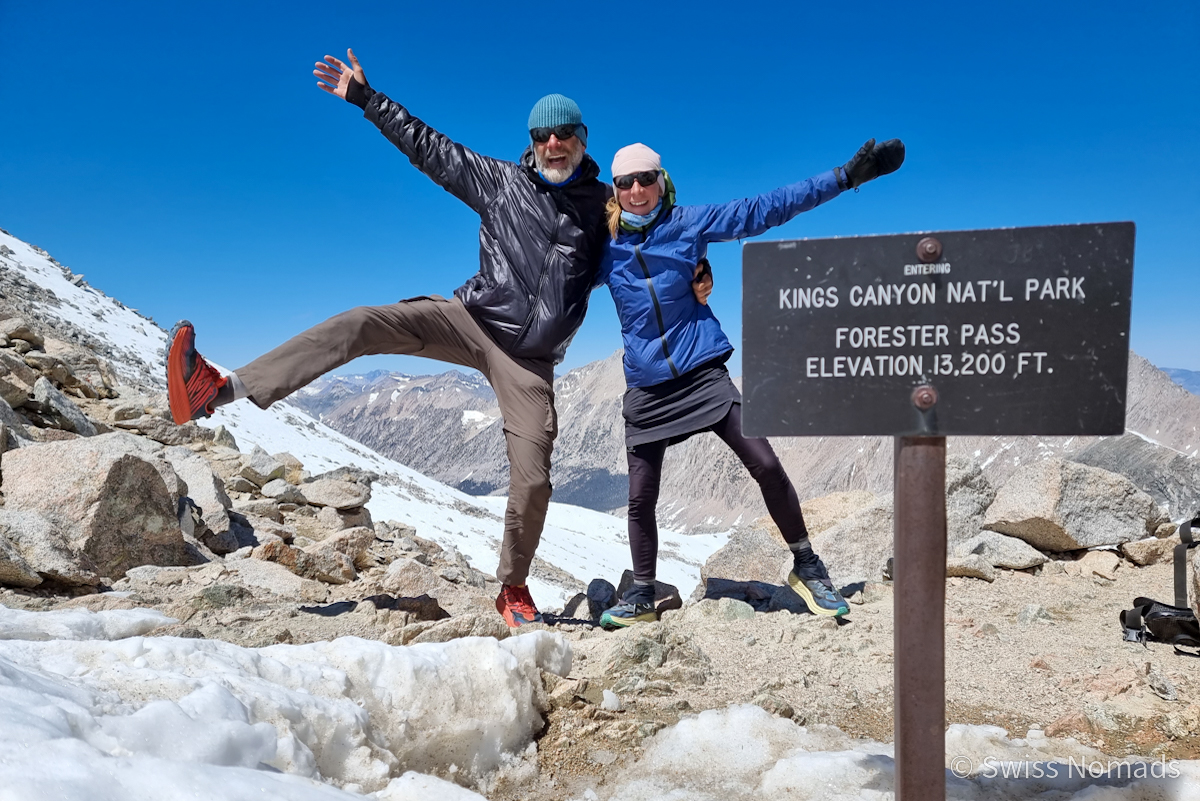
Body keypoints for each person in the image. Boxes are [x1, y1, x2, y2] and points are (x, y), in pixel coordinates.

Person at [165, 49, 712, 628]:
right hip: (469, 318)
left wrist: (697, 274)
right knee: (362, 323)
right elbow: (430, 148)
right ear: (532, 141)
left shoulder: (602, 206)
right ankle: (217, 389)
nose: (554, 143)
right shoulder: (501, 182)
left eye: (566, 134)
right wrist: (367, 99)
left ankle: (513, 588)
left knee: (533, 475)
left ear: (582, 139)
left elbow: (655, 238)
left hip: (528, 361)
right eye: (543, 134)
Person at [595, 139, 905, 628]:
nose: (636, 190)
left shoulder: (687, 226)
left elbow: (765, 209)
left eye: (645, 179)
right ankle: (640, 594)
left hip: (702, 373)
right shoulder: (604, 246)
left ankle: (807, 565)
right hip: (648, 387)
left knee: (764, 460)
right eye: (625, 182)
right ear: (614, 190)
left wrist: (846, 177)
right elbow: (554, 277)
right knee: (640, 496)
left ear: (662, 182)